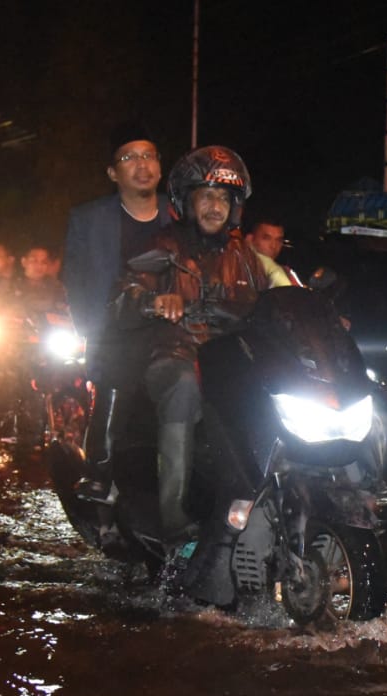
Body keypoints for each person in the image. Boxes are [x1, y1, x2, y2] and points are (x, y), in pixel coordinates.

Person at [115, 145, 268, 549]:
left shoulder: (245, 256)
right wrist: (153, 301)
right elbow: (125, 295)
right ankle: (174, 517)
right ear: (187, 200)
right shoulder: (163, 247)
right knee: (183, 386)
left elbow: (275, 297)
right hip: (176, 354)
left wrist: (314, 311)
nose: (216, 206)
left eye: (224, 198)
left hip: (231, 359)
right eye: (207, 195)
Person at [61, 122, 171, 496]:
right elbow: (74, 276)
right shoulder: (88, 219)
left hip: (172, 330)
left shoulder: (181, 214)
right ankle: (100, 470)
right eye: (129, 158)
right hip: (114, 331)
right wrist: (89, 327)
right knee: (117, 368)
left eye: (149, 155)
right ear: (113, 172)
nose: (142, 165)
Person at [243, 216, 302, 288]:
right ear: (250, 239)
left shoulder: (286, 272)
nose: (273, 246)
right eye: (267, 238)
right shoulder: (237, 268)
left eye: (278, 240)